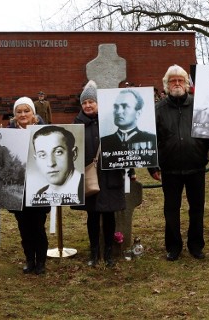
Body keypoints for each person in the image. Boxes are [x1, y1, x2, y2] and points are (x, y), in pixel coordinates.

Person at [151, 64, 209, 261]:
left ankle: (196, 245)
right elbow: (152, 139)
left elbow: (208, 133)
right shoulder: (158, 109)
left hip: (196, 166)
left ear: (186, 84)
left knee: (197, 208)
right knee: (171, 209)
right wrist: (152, 165)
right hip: (170, 168)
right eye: (172, 80)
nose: (177, 83)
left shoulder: (199, 106)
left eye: (180, 80)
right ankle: (173, 246)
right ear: (166, 85)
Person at [73, 80, 127, 267]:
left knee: (110, 216)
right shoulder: (77, 124)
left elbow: (123, 147)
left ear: (98, 103)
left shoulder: (111, 121)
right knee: (93, 217)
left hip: (110, 175)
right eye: (84, 102)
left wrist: (131, 169)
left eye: (91, 102)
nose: (88, 105)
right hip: (89, 175)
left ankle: (109, 253)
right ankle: (94, 252)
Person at [8, 96, 49, 275]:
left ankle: (41, 261)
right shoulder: (9, 134)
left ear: (33, 113)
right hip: (18, 188)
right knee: (23, 227)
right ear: (15, 114)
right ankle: (29, 260)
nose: (23, 114)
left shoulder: (45, 131)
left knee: (38, 226)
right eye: (19, 111)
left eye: (26, 111)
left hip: (40, 187)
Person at [100, 88, 157, 166]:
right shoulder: (104, 142)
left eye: (124, 106)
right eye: (116, 107)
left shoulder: (151, 139)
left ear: (138, 113)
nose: (118, 111)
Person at [31, 125, 84, 206]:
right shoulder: (39, 196)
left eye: (58, 152)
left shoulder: (86, 188)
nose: (51, 163)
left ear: (73, 154)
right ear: (36, 159)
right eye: (42, 155)